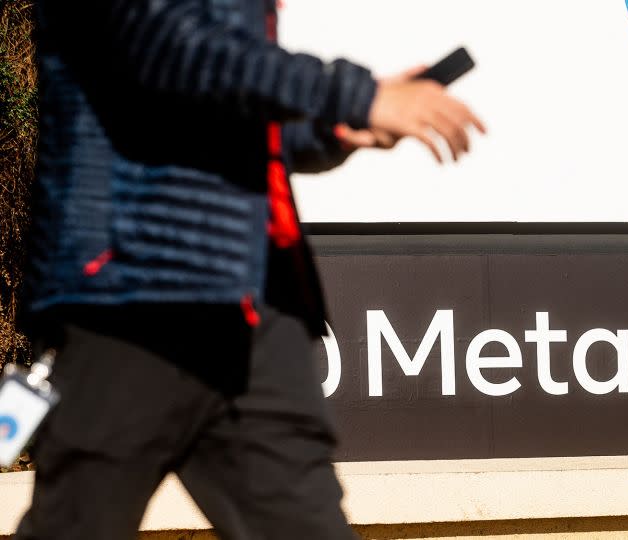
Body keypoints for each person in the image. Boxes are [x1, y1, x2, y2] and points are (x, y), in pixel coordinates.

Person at [15, 0, 484, 538]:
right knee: (77, 524)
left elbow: (227, 118)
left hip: (256, 310)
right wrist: (360, 95)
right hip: (139, 297)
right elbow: (173, 52)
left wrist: (335, 128)